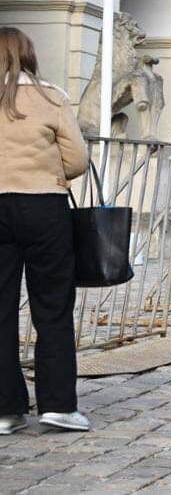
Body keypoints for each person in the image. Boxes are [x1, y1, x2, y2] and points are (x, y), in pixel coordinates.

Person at [0, 27, 90, 434]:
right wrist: (49, 171)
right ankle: (57, 405)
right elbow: (77, 159)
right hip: (43, 206)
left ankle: (5, 409)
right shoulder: (51, 96)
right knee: (52, 306)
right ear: (29, 55)